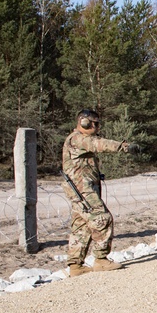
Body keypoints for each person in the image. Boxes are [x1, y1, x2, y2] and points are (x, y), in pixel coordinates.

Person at [62, 109, 137, 276]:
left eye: (97, 124)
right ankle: (101, 260)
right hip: (82, 189)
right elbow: (99, 144)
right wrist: (123, 147)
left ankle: (76, 265)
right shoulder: (78, 139)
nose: (95, 127)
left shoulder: (78, 139)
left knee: (81, 226)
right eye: (92, 123)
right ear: (82, 122)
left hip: (82, 189)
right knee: (102, 219)